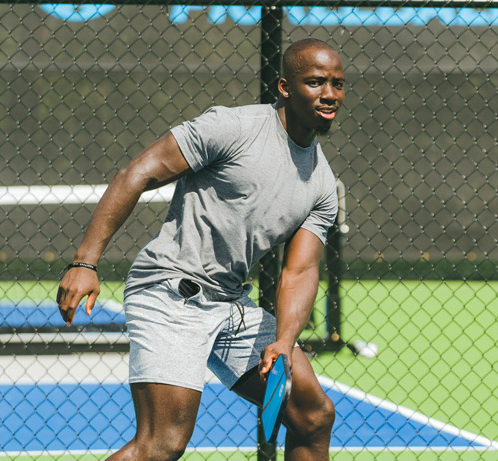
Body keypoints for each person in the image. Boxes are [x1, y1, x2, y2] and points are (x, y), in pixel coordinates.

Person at [56, 38, 345, 461]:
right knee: (160, 444)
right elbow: (137, 173)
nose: (329, 94)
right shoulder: (234, 128)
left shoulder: (321, 184)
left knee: (312, 416)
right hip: (171, 290)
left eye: (337, 84)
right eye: (316, 82)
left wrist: (284, 340)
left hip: (229, 303)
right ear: (285, 87)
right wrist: (85, 261)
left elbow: (299, 272)